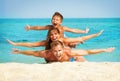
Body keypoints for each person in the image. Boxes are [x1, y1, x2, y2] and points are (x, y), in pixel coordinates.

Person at [7, 28, 103, 62]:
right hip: (51, 58)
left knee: (80, 56)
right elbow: (32, 46)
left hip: (64, 55)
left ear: (59, 34)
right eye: (51, 35)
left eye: (55, 34)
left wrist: (96, 35)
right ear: (49, 36)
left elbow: (81, 38)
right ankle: (74, 45)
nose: (53, 36)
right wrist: (16, 45)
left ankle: (74, 45)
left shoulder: (63, 39)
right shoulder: (46, 42)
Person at [12, 41, 115, 62]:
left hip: (70, 60)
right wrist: (19, 51)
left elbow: (88, 51)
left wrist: (104, 50)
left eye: (59, 50)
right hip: (54, 62)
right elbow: (33, 53)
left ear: (63, 49)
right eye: (55, 51)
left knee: (80, 58)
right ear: (51, 51)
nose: (58, 53)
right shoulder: (47, 54)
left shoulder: (68, 52)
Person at [25, 12, 89, 38]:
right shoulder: (49, 27)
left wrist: (84, 31)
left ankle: (78, 41)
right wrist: (30, 27)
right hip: (54, 40)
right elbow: (39, 27)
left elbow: (73, 30)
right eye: (53, 19)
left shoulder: (63, 28)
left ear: (61, 22)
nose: (54, 21)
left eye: (57, 20)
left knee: (71, 43)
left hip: (62, 39)